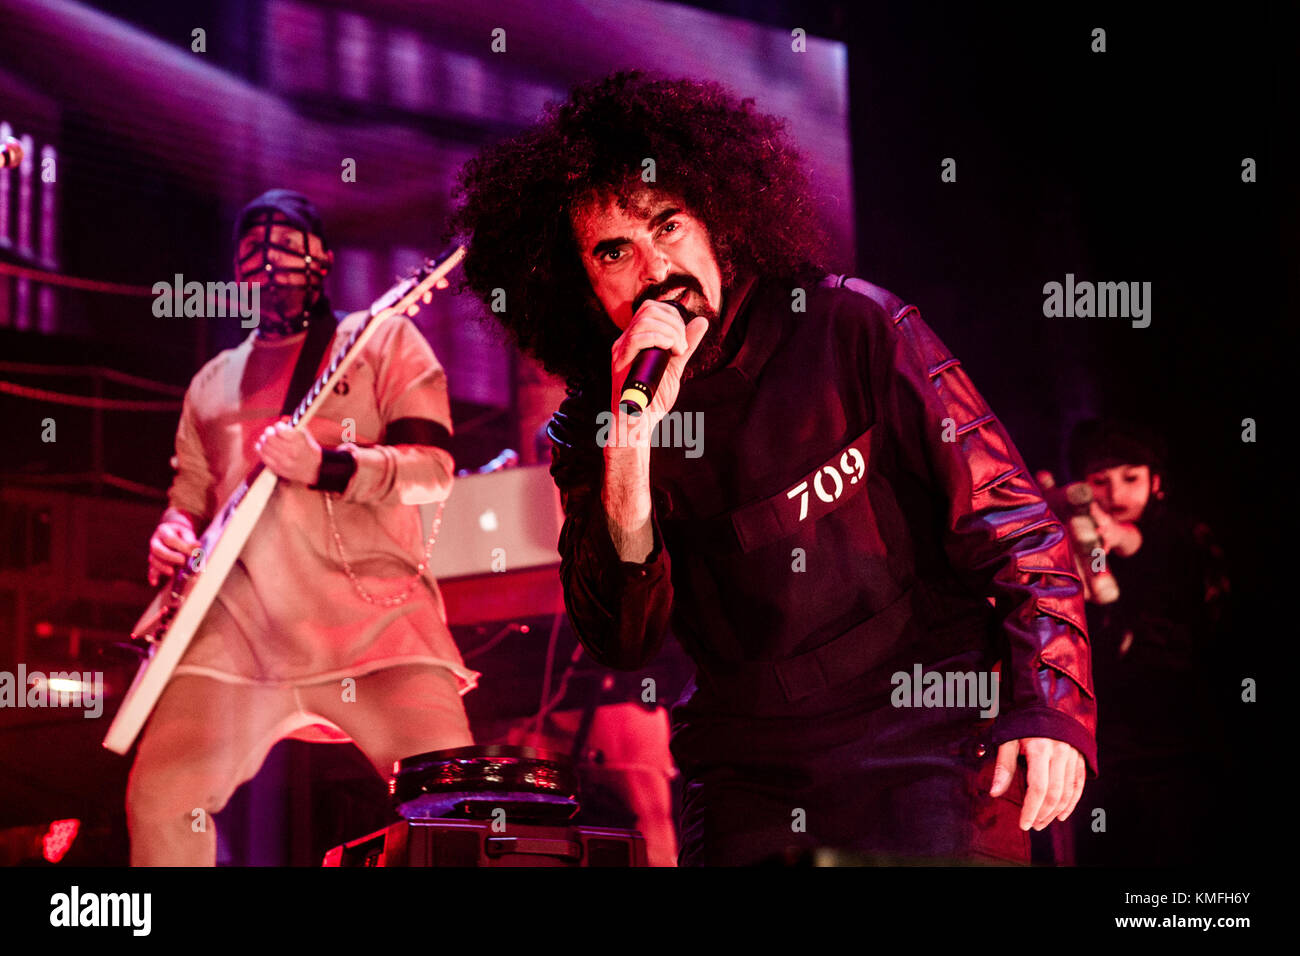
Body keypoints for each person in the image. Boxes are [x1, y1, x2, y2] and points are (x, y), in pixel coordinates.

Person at [449, 71, 1096, 865]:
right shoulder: (599, 425)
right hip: (747, 766)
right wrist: (629, 446)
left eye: (669, 226)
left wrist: (1051, 709)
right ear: (581, 286)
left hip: (925, 728)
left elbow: (1014, 525)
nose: (655, 269)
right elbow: (621, 637)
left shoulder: (850, 324)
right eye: (615, 251)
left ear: (718, 219)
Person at [128, 189, 477, 866]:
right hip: (235, 640)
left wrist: (330, 466)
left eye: (288, 246)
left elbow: (433, 468)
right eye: (252, 251)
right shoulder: (211, 382)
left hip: (375, 628)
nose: (269, 264)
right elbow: (190, 498)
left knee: (452, 807)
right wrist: (170, 531)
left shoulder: (380, 340)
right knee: (161, 796)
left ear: (327, 259)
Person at [1065, 419, 1231, 865]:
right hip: (1104, 744)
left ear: (1157, 481)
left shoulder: (1186, 536)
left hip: (1180, 745)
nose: (1116, 493)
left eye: (1130, 477)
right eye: (1099, 481)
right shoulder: (1073, 537)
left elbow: (1160, 557)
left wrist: (1123, 541)